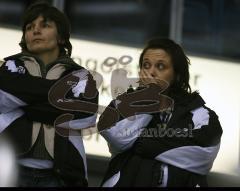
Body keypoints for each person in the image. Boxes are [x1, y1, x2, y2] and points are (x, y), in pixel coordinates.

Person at [98, 38, 222, 187]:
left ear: (177, 75)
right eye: (146, 65)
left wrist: (139, 143)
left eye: (161, 66)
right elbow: (115, 136)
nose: (151, 72)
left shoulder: (199, 113)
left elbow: (205, 151)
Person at [0, 3, 98, 187]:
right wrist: (58, 97)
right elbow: (3, 99)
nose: (36, 30)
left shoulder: (80, 75)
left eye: (45, 25)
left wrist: (26, 104)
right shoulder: (10, 67)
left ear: (61, 37)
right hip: (9, 170)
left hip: (61, 176)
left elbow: (87, 116)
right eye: (29, 28)